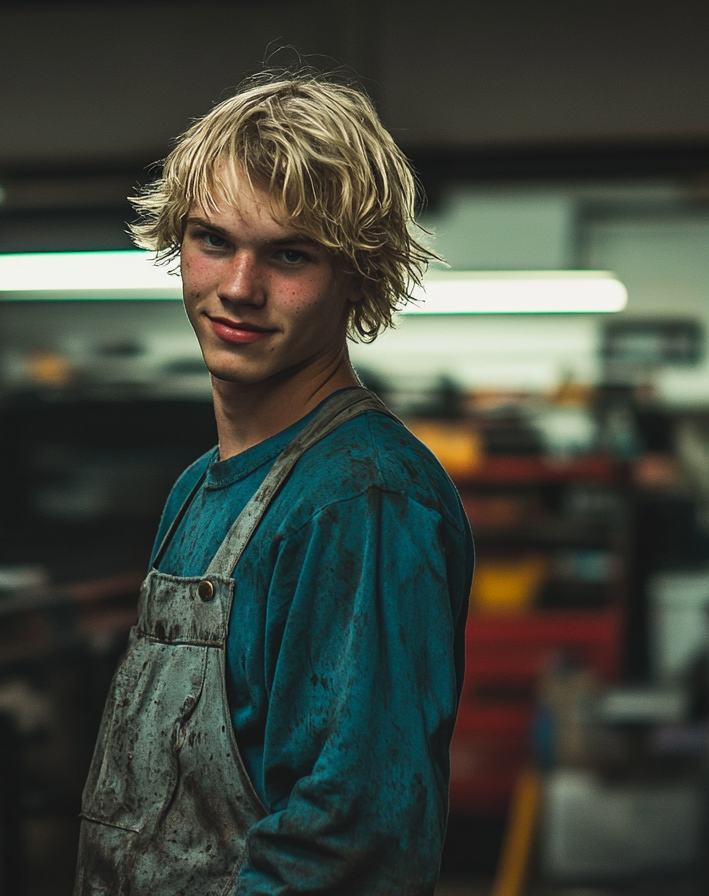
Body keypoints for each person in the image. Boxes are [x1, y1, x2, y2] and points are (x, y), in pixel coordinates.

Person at [74, 71, 474, 895]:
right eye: (213, 240)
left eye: (290, 254)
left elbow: (354, 840)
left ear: (358, 275)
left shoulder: (362, 501)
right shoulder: (200, 487)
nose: (239, 287)